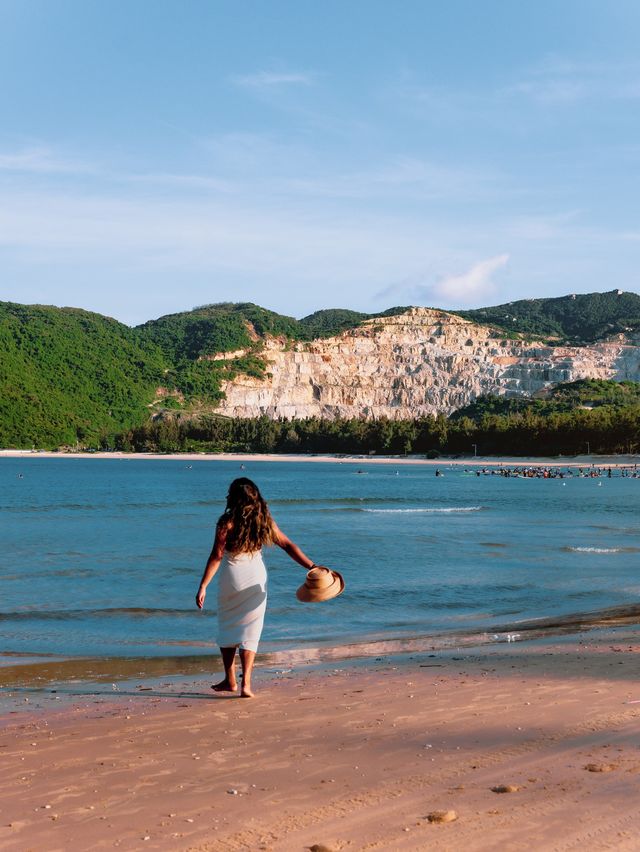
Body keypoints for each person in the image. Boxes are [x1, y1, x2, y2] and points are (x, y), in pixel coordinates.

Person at [196, 477, 316, 698]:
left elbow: (216, 556)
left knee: (228, 626)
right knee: (250, 630)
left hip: (231, 578)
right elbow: (288, 545)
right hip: (255, 578)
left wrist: (203, 585)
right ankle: (246, 685)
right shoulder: (263, 521)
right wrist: (312, 566)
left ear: (233, 498)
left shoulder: (226, 522)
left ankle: (230, 680)